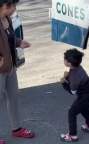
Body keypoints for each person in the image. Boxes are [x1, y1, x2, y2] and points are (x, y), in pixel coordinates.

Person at [0, 0, 35, 144]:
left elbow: (10, 38)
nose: (15, 9)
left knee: (13, 97)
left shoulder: (7, 18)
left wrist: (19, 42)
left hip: (10, 66)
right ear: (5, 6)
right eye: (13, 6)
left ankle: (17, 129)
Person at [60, 49, 89, 142]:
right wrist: (67, 76)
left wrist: (64, 82)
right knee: (84, 108)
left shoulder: (74, 78)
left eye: (64, 59)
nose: (63, 60)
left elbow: (73, 92)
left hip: (85, 95)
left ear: (68, 63)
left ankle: (72, 136)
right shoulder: (78, 67)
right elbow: (76, 78)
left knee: (72, 112)